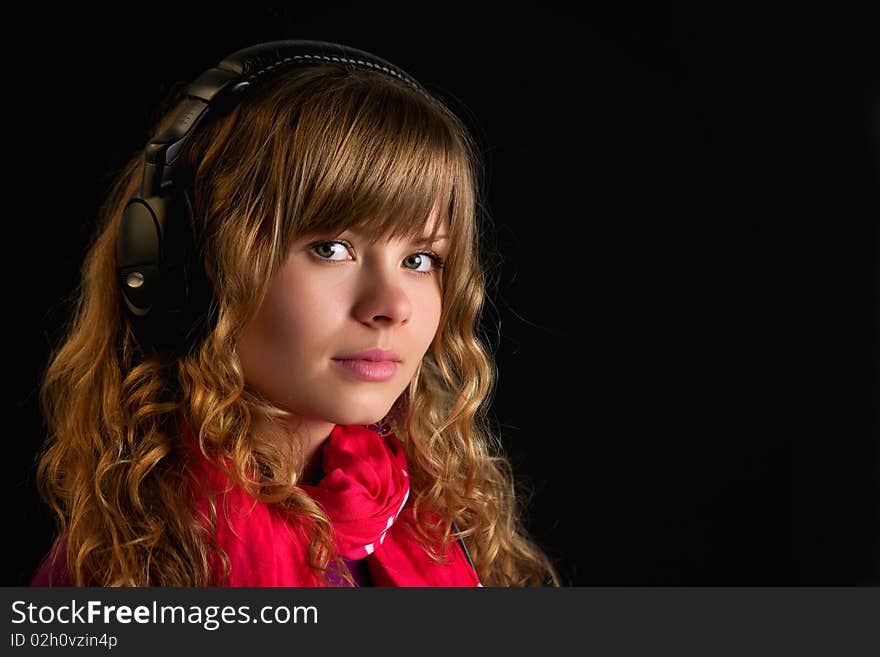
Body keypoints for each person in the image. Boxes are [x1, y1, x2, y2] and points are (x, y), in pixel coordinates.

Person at [30, 40, 561, 587]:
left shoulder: (422, 514)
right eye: (330, 248)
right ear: (189, 269)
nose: (393, 306)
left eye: (420, 259)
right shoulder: (130, 574)